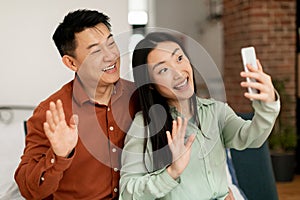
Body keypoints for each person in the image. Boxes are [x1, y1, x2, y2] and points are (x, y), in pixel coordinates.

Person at [119, 32, 280, 200]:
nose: (179, 73)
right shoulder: (144, 126)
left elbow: (252, 138)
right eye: (163, 69)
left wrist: (268, 104)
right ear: (150, 84)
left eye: (179, 59)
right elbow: (127, 193)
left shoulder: (216, 111)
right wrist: (171, 173)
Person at [14, 9, 139, 199]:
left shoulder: (139, 96)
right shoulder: (50, 112)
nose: (110, 56)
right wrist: (59, 156)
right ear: (72, 63)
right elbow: (28, 190)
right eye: (96, 50)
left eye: (111, 43)